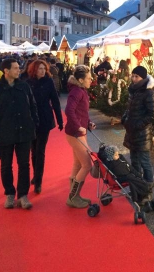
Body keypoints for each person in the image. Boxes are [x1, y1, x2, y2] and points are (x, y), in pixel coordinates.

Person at [0, 58, 39, 210]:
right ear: (6, 71)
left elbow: (33, 106)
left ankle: (23, 195)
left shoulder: (24, 86)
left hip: (24, 132)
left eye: (18, 67)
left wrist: (34, 123)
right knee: (6, 165)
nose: (18, 70)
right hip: (5, 133)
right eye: (15, 68)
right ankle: (9, 193)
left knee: (24, 165)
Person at [121, 65, 154, 208]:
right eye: (133, 76)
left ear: (143, 77)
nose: (134, 78)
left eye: (137, 76)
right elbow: (129, 109)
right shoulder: (133, 91)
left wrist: (138, 124)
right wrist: (125, 118)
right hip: (132, 134)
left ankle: (148, 192)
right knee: (135, 163)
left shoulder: (148, 92)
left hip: (142, 135)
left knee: (145, 163)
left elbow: (152, 114)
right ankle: (137, 190)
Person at [26, 59, 63, 194]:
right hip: (31, 120)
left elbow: (55, 101)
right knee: (33, 150)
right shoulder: (28, 83)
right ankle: (36, 175)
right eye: (40, 69)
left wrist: (60, 120)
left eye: (44, 68)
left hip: (45, 119)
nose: (42, 71)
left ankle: (38, 181)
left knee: (40, 151)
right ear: (34, 70)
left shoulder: (49, 82)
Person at [65, 65, 96, 208]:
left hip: (78, 132)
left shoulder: (81, 90)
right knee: (87, 165)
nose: (92, 80)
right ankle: (73, 197)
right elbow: (69, 110)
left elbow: (80, 112)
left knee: (78, 163)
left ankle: (73, 195)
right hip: (75, 133)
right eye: (89, 78)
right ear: (81, 80)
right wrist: (78, 126)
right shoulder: (77, 91)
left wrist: (88, 123)